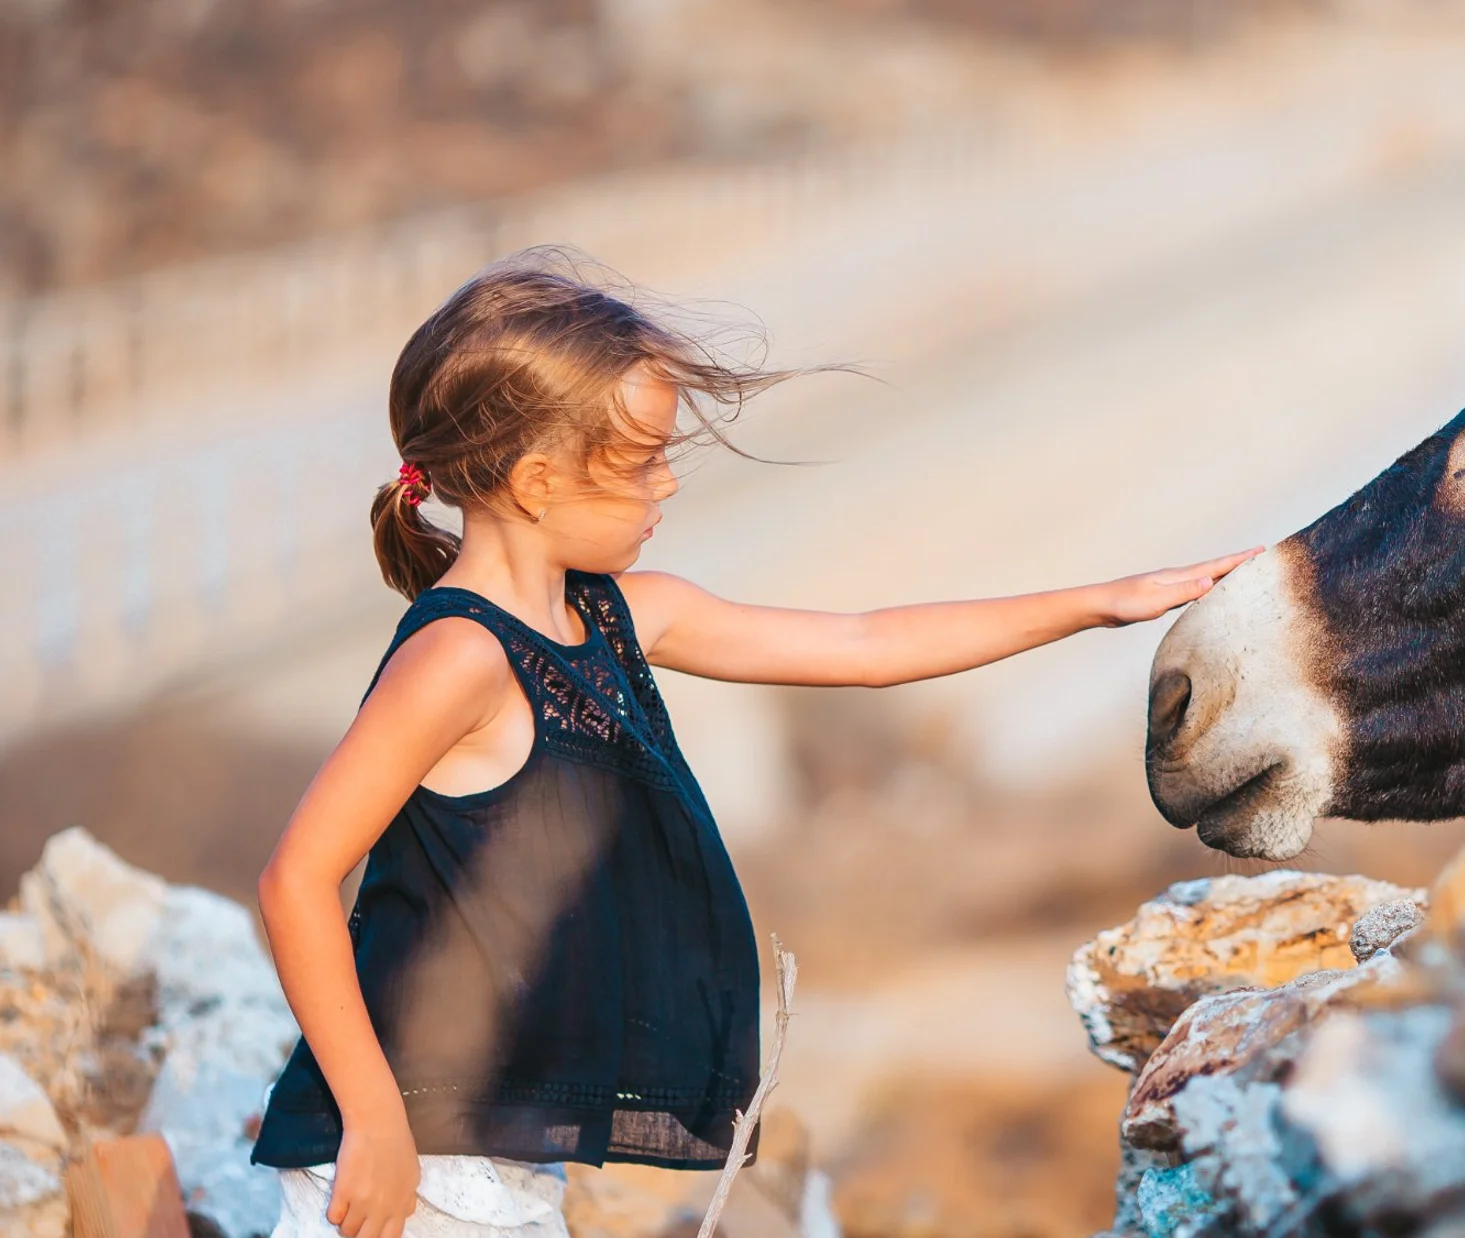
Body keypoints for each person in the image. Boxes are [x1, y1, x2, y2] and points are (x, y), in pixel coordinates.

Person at [248, 253, 1258, 1238]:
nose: (666, 488)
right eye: (642, 460)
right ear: (540, 477)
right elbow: (298, 877)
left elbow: (864, 644)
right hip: (408, 1155)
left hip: (489, 1149)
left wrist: (1101, 603)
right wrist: (374, 1118)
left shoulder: (620, 618)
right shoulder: (458, 656)